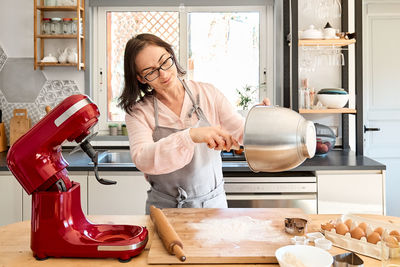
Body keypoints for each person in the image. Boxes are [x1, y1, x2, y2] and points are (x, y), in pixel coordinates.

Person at [119, 33, 270, 214]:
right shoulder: (139, 112)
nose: (164, 73)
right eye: (151, 71)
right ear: (141, 79)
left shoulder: (208, 94)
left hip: (213, 207)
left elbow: (241, 131)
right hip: (164, 211)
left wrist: (261, 121)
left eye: (165, 61)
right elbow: (143, 158)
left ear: (171, 55)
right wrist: (190, 136)